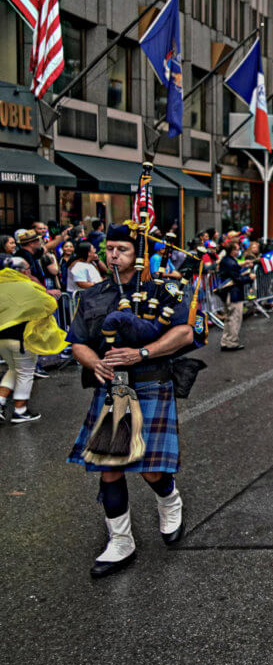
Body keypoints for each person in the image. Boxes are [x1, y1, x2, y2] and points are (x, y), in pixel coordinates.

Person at [66, 223, 201, 577]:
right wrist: (92, 361)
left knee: (151, 468)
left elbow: (186, 331)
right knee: (109, 469)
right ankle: (120, 541)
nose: (113, 255)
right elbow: (77, 340)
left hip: (152, 383)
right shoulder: (93, 295)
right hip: (112, 389)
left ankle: (169, 500)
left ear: (139, 254)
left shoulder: (164, 289)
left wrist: (142, 352)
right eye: (109, 248)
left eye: (122, 249)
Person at [0, 256, 64, 423]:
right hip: (22, 338)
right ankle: (20, 410)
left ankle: (0, 402)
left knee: (14, 369)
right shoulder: (28, 286)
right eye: (28, 269)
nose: (29, 271)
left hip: (2, 339)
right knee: (26, 372)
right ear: (23, 271)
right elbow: (49, 304)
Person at [216, 240, 252, 352]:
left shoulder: (227, 260)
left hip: (228, 293)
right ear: (232, 251)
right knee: (235, 318)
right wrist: (250, 278)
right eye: (236, 249)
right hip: (233, 293)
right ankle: (231, 342)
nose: (238, 251)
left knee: (229, 318)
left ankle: (226, 341)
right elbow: (237, 279)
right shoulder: (230, 262)